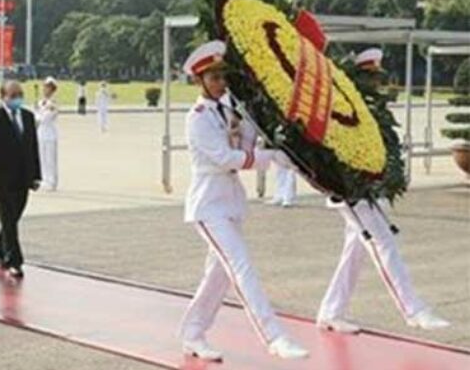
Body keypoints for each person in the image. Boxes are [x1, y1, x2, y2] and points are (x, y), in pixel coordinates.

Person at [178, 41, 308, 361]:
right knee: (241, 266)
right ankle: (274, 336)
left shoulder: (230, 111)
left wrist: (259, 122)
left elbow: (247, 144)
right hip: (209, 205)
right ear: (199, 80)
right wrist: (272, 158)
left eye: (223, 76)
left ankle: (192, 333)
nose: (221, 82)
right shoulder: (198, 117)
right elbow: (225, 158)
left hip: (230, 202)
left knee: (218, 275)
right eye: (213, 77)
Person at [316, 48, 450, 335]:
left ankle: (331, 311)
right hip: (351, 191)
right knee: (382, 242)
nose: (377, 83)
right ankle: (413, 310)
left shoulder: (374, 110)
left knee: (355, 252)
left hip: (370, 190)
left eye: (377, 77)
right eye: (370, 77)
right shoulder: (342, 107)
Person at [0, 80, 41, 278]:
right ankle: (14, 261)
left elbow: (33, 147)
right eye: (13, 95)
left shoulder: (28, 117)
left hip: (23, 178)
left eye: (19, 94)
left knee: (13, 218)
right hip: (1, 180)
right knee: (8, 219)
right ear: (3, 96)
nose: (17, 98)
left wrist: (36, 175)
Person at [36, 77, 59, 191]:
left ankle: (52, 181)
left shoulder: (53, 102)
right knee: (42, 158)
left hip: (50, 133)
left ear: (52, 89)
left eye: (47, 87)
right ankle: (45, 180)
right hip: (41, 133)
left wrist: (38, 118)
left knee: (50, 159)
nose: (45, 89)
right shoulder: (41, 102)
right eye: (44, 87)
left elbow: (47, 117)